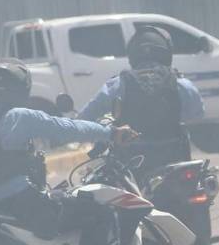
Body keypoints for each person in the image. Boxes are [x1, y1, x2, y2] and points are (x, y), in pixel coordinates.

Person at [0, 59, 136, 245]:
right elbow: (66, 127)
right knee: (101, 213)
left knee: (64, 199)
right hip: (29, 207)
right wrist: (111, 133)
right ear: (20, 89)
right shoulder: (19, 117)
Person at [77, 25, 205, 175]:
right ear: (166, 54)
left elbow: (86, 117)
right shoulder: (181, 83)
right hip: (174, 161)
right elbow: (197, 114)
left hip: (131, 168)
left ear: (133, 55)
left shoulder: (118, 84)